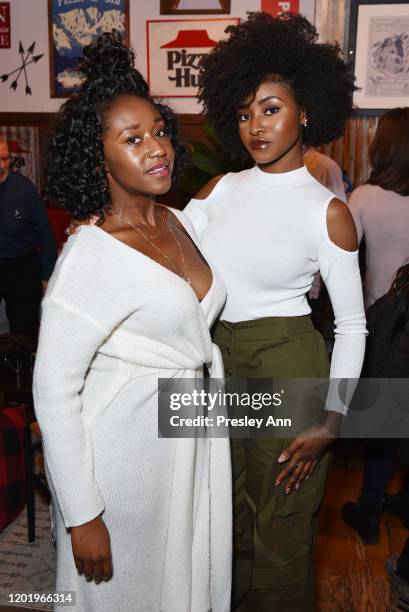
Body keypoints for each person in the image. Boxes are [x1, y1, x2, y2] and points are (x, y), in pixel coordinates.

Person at [33, 32, 231, 612]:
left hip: (186, 435)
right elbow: (53, 389)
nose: (157, 147)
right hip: (123, 454)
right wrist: (82, 512)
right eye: (133, 138)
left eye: (160, 130)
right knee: (128, 593)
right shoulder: (91, 253)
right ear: (100, 158)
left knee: (181, 578)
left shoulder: (178, 221)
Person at [184, 12, 367, 611]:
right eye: (244, 113)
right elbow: (161, 251)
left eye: (270, 108)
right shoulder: (219, 191)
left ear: (306, 111)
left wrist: (333, 421)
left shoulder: (326, 212)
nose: (256, 126)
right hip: (219, 361)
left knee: (281, 526)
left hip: (288, 365)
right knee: (224, 515)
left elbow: (352, 324)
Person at [342, 110, 409, 544]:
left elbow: (340, 263)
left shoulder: (364, 198)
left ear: (380, 146)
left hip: (382, 327)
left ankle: (369, 510)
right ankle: (403, 501)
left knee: (384, 424)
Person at [0, 134, 57, 342]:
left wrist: (47, 274)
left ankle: (24, 371)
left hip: (22, 266)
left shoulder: (23, 188)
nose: (2, 165)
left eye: (5, 158)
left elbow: (45, 233)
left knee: (25, 332)